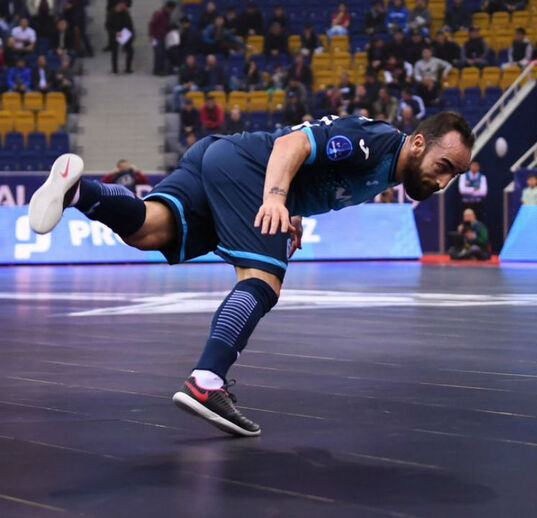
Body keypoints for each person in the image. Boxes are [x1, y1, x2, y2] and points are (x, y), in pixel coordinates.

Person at [29, 111, 474, 437]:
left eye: (453, 176)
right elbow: (292, 146)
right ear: (419, 143)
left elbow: (312, 167)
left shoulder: (388, 162)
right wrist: (276, 198)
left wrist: (292, 208)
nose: (444, 183)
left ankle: (79, 192)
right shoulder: (374, 142)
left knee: (149, 229)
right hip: (247, 168)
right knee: (262, 279)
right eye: (444, 167)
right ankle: (207, 380)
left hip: (220, 157)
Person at [149, 1, 176, 75]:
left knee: (162, 54)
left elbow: (166, 25)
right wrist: (151, 36)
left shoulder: (167, 15)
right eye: (171, 9)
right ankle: (157, 70)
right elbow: (152, 24)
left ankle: (161, 69)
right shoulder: (159, 13)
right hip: (156, 37)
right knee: (158, 54)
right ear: (168, 8)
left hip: (163, 36)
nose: (172, 11)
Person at [107, 0, 134, 74]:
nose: (124, 6)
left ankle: (128, 68)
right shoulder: (112, 13)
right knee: (114, 52)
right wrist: (115, 32)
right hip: (116, 34)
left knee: (130, 51)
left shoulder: (125, 13)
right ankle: (115, 69)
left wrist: (131, 34)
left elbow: (129, 25)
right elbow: (108, 26)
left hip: (125, 33)